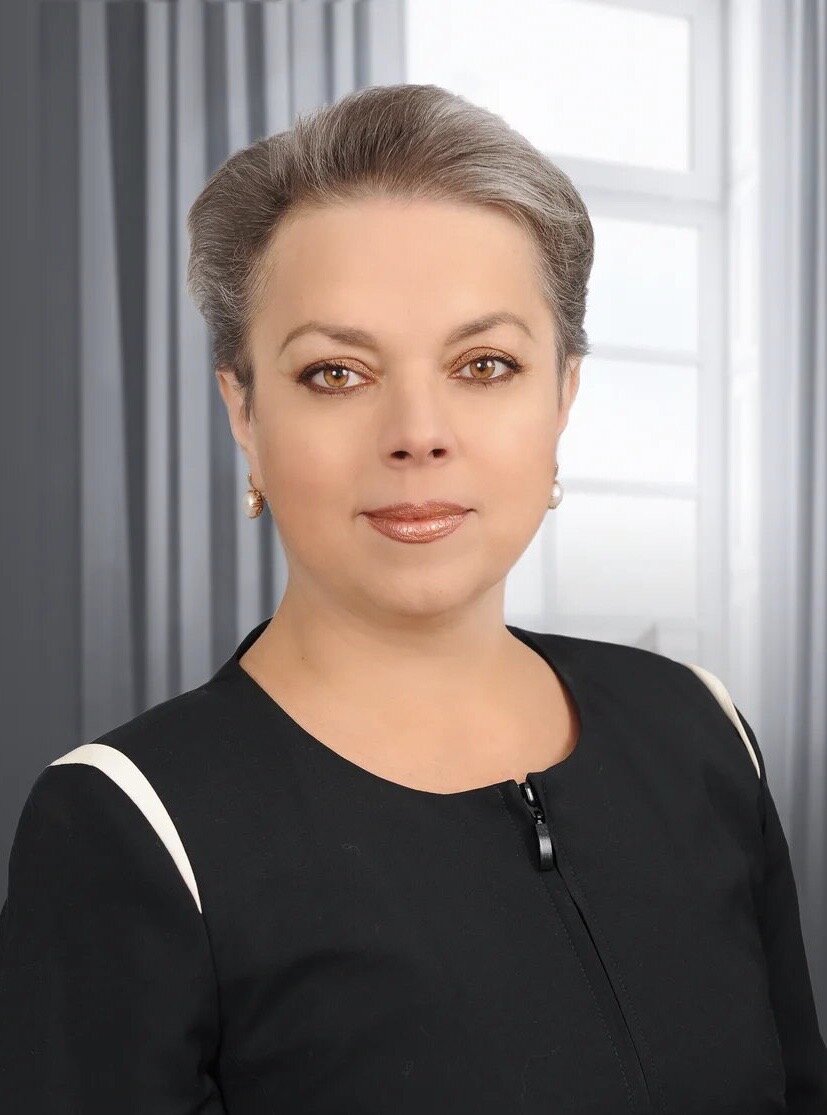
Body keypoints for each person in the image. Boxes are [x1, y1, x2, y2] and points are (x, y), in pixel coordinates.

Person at [1, 82, 825, 1114]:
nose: (418, 433)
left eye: (485, 363)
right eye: (336, 373)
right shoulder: (127, 823)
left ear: (562, 394)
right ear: (243, 409)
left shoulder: (698, 729)